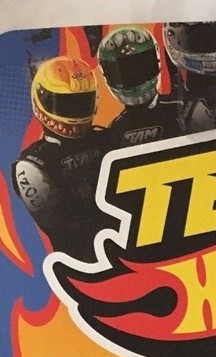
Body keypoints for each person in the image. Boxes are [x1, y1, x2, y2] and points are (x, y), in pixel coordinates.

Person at [11, 56, 108, 261]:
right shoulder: (32, 165)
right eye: (65, 103)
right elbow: (62, 227)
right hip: (86, 261)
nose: (75, 111)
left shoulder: (107, 138)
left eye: (82, 102)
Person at [98, 26, 185, 149]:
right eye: (125, 71)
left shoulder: (183, 107)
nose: (133, 74)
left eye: (139, 67)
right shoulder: (117, 128)